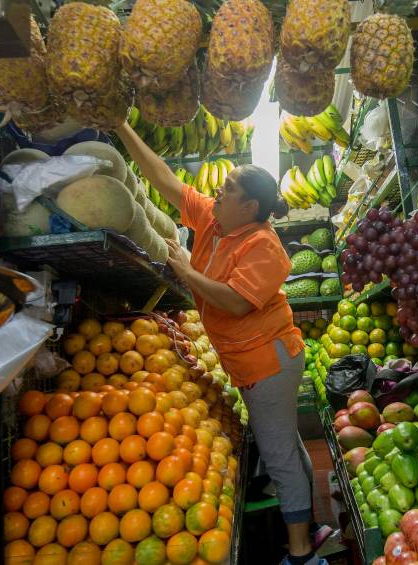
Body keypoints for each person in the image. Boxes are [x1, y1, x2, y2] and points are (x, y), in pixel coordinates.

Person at [116, 123, 331, 565]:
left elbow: (234, 302)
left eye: (228, 188)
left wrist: (186, 271)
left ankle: (301, 553)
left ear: (249, 207)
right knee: (285, 444)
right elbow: (164, 179)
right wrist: (121, 127)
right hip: (251, 362)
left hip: (269, 363)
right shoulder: (214, 220)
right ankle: (309, 526)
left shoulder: (265, 248)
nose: (218, 191)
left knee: (278, 453)